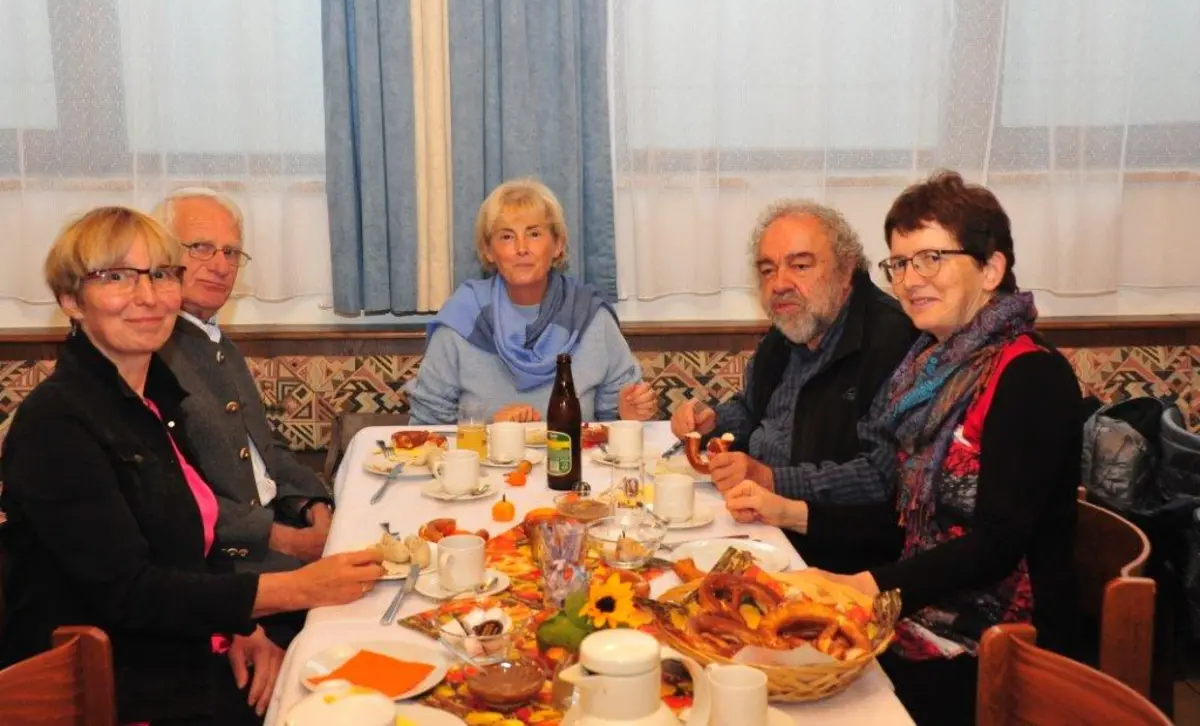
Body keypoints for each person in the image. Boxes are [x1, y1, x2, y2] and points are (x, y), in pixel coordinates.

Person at [0, 206, 384, 725]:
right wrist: (300, 588)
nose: (147, 295)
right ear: (71, 300)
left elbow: (188, 547)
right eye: (116, 277)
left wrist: (243, 629)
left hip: (183, 647)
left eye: (161, 274)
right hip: (108, 688)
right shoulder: (57, 423)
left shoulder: (154, 398)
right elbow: (130, 593)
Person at [725, 171, 1082, 726]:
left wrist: (866, 587)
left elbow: (995, 546)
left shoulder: (1030, 374)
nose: (911, 280)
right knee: (746, 649)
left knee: (784, 690)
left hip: (998, 646)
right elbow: (900, 513)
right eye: (900, 263)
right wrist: (790, 512)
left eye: (931, 259)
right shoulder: (930, 367)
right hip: (921, 610)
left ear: (991, 269)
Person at [668, 201, 918, 571]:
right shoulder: (785, 333)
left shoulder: (892, 341)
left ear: (846, 269)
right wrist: (713, 421)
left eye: (800, 266)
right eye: (767, 270)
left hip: (834, 557)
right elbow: (750, 409)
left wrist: (772, 479)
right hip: (760, 526)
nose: (780, 284)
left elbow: (881, 476)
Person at [153, 190, 333, 576]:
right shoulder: (149, 356)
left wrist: (313, 503)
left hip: (279, 524)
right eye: (201, 248)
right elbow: (171, 494)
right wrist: (283, 540)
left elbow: (264, 449)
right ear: (160, 257)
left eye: (231, 252)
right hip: (220, 561)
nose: (221, 266)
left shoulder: (220, 344)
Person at [406, 178, 655, 425]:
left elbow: (615, 419)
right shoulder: (461, 319)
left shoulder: (591, 317)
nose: (521, 248)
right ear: (488, 251)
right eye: (507, 236)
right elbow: (426, 427)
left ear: (558, 245)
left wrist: (629, 414)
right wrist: (489, 431)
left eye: (534, 234)